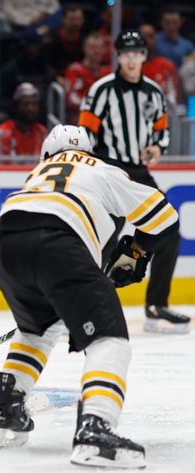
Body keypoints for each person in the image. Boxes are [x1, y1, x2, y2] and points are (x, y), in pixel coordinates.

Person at [0, 124, 180, 468]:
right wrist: (137, 251)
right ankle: (96, 427)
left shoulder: (37, 173)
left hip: (6, 245)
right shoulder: (101, 169)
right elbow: (165, 217)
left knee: (36, 329)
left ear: (47, 154)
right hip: (58, 240)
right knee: (110, 340)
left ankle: (9, 403)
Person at [79, 30, 190, 333]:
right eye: (125, 54)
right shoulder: (101, 90)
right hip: (107, 170)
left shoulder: (153, 92)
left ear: (144, 56)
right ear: (118, 57)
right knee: (102, 234)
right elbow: (85, 131)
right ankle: (85, 305)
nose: (131, 59)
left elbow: (162, 129)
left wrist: (157, 147)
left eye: (136, 53)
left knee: (169, 229)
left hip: (139, 172)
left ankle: (156, 306)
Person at [63, 32, 109, 123]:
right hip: (79, 121)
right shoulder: (74, 70)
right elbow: (71, 98)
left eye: (100, 47)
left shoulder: (107, 72)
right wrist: (94, 104)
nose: (97, 51)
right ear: (84, 48)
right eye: (93, 47)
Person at [0, 82, 48, 158]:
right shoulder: (3, 131)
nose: (30, 108)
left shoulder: (42, 132)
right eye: (25, 104)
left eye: (34, 104)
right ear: (16, 106)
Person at [139, 23, 180, 104]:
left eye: (150, 36)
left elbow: (173, 96)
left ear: (155, 39)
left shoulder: (167, 65)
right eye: (143, 37)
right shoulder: (129, 67)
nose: (146, 40)